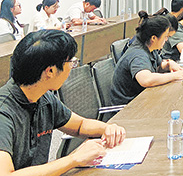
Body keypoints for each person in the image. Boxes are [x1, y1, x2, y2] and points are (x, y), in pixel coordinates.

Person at [0, 29, 126, 173]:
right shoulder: (4, 112)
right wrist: (74, 159)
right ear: (50, 71)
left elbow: (80, 125)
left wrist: (107, 128)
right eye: (71, 62)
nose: (72, 67)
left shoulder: (43, 97)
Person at [111, 11, 183, 105]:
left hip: (142, 99)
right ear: (153, 38)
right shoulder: (138, 54)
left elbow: (158, 66)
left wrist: (168, 64)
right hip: (129, 106)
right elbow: (146, 80)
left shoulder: (149, 47)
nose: (166, 40)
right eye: (165, 37)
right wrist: (175, 76)